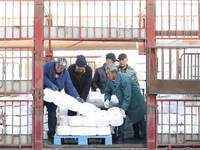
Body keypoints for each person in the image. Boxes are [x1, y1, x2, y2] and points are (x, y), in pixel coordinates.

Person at [43, 57, 84, 144]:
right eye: (58, 67)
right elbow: (41, 75)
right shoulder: (48, 66)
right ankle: (37, 134)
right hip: (43, 93)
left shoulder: (65, 73)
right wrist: (50, 84)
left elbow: (69, 85)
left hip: (55, 96)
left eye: (62, 68)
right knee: (38, 113)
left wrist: (77, 97)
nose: (60, 69)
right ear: (55, 63)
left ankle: (51, 135)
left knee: (52, 114)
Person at [104, 64, 146, 144]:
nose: (107, 75)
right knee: (121, 118)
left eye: (108, 73)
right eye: (107, 73)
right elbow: (107, 90)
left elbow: (128, 95)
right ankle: (120, 137)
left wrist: (124, 108)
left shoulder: (125, 79)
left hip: (135, 100)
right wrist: (107, 99)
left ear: (114, 72)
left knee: (140, 118)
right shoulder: (110, 80)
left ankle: (144, 137)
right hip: (123, 100)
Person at [117, 53, 142, 139]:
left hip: (131, 97)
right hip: (120, 97)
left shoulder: (131, 71)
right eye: (119, 60)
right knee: (121, 116)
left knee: (134, 115)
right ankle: (120, 135)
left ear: (126, 60)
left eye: (123, 60)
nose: (121, 62)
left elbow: (136, 84)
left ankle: (137, 133)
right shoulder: (116, 71)